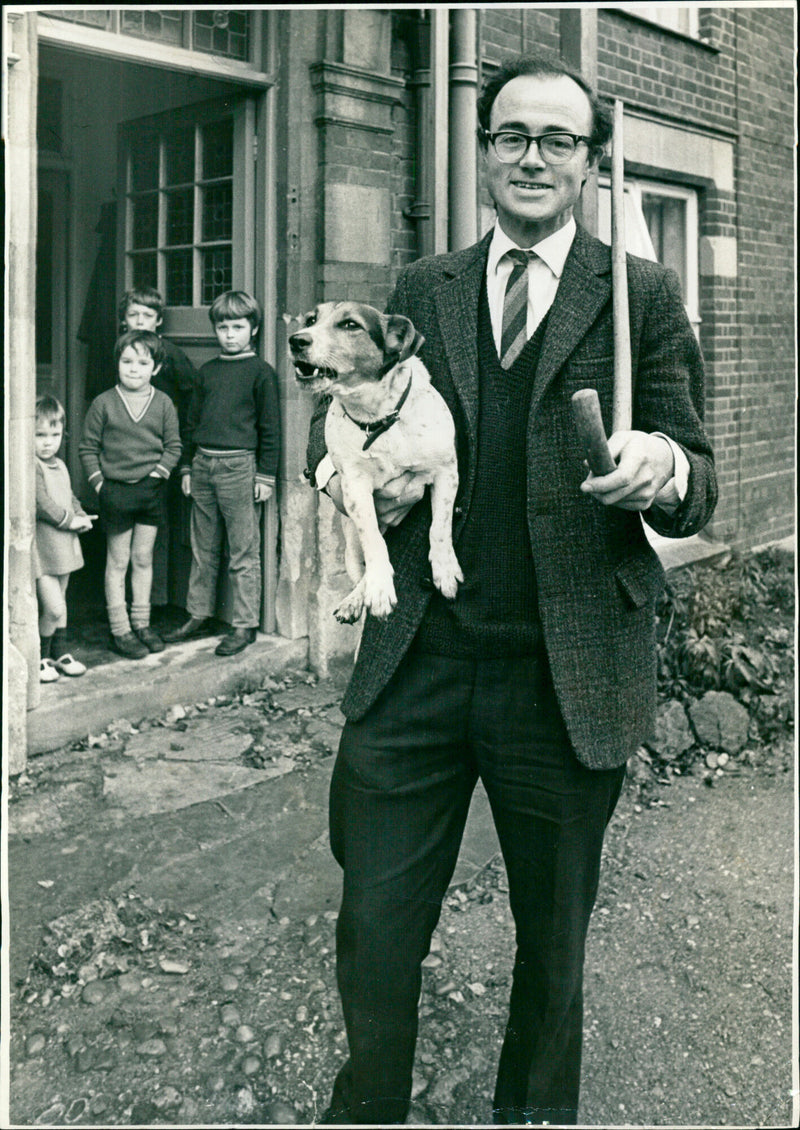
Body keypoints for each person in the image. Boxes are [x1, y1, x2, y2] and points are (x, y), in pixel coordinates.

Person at [305, 54, 717, 1125]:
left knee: (553, 940)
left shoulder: (640, 292)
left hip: (562, 666)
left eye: (557, 140)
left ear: (588, 163)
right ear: (482, 149)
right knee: (374, 923)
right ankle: (368, 1105)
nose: (531, 157)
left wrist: (662, 469)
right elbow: (367, 418)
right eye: (510, 136)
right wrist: (349, 476)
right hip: (421, 661)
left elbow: (696, 475)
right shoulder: (420, 287)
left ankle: (530, 1115)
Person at [162, 291, 280, 657]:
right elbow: (191, 422)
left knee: (243, 550)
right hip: (203, 466)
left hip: (239, 468)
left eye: (238, 327)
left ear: (254, 329)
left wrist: (265, 476)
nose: (230, 334)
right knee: (204, 547)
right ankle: (199, 613)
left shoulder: (260, 373)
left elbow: (270, 429)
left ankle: (244, 624)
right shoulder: (208, 372)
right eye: (223, 327)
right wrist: (186, 466)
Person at [79, 330, 182, 659]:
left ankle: (142, 622)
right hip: (116, 493)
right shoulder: (104, 403)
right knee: (118, 561)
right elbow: (87, 448)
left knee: (142, 558)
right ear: (117, 364)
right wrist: (100, 486)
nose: (134, 368)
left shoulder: (163, 403)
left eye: (142, 362)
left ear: (155, 368)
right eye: (126, 361)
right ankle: (120, 629)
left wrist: (157, 476)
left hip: (150, 492)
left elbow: (173, 446)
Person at [118, 286, 198, 607]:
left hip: (162, 454)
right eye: (133, 314)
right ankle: (124, 599)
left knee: (157, 527)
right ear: (123, 319)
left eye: (147, 316)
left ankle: (156, 602)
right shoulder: (121, 354)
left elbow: (192, 393)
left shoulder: (170, 354)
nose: (140, 321)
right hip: (123, 455)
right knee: (123, 529)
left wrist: (181, 439)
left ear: (159, 320)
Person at [34, 395, 95, 682]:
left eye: (55, 434)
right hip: (44, 550)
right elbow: (42, 503)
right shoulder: (32, 466)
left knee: (64, 601)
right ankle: (40, 657)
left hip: (63, 546)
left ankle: (60, 652)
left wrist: (80, 513)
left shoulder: (60, 464)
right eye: (40, 435)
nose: (48, 442)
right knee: (54, 607)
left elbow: (68, 495)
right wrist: (70, 520)